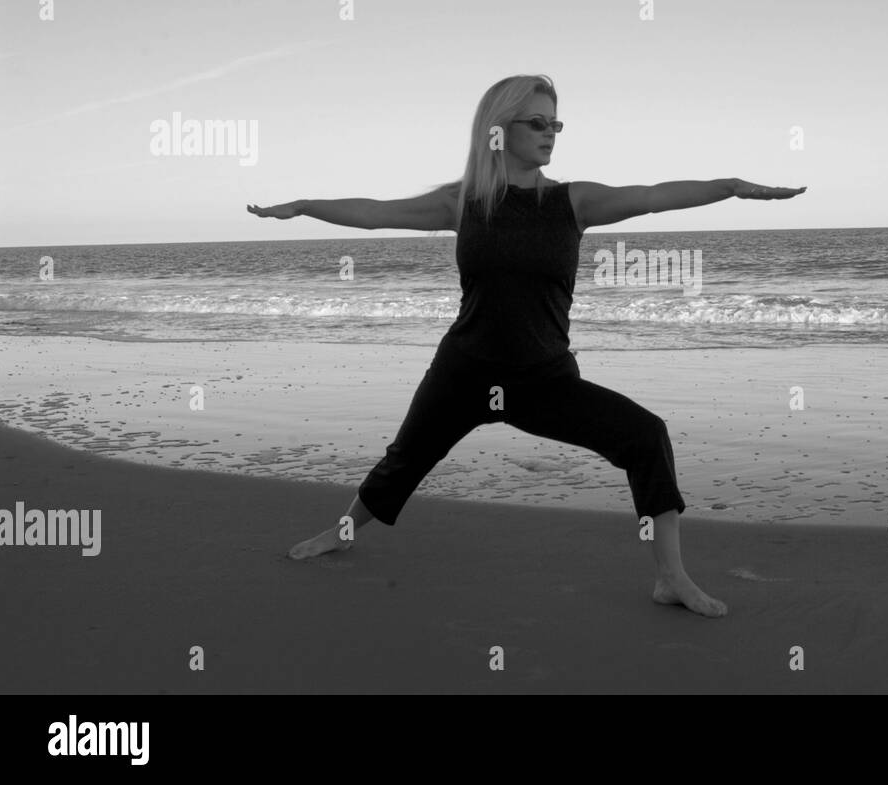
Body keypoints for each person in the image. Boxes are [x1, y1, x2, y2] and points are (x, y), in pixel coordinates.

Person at [248, 74, 805, 617]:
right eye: (537, 121)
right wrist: (304, 204)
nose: (550, 132)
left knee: (646, 436)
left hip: (544, 378)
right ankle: (343, 533)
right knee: (405, 461)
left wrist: (728, 186)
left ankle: (671, 576)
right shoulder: (462, 203)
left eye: (556, 123)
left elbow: (653, 196)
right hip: (464, 370)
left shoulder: (574, 202)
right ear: (498, 129)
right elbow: (373, 214)